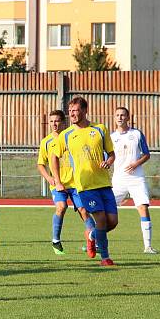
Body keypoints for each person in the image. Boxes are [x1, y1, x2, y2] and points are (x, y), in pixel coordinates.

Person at [50, 97, 118, 266]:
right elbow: (53, 157)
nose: (72, 114)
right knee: (101, 219)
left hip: (104, 183)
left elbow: (111, 154)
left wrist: (108, 162)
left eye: (75, 110)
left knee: (113, 222)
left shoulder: (100, 129)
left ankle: (91, 235)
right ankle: (105, 258)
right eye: (70, 111)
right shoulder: (66, 135)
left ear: (85, 110)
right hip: (85, 186)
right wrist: (57, 181)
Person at [37, 110, 96, 255]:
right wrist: (50, 179)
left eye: (57, 121)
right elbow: (40, 164)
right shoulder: (46, 142)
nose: (54, 124)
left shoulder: (72, 137)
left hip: (76, 183)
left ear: (63, 122)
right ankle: (56, 241)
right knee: (61, 207)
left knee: (84, 210)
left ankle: (94, 241)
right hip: (57, 184)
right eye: (51, 121)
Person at [110, 107, 157, 254]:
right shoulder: (111, 137)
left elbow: (146, 154)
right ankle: (96, 240)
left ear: (128, 117)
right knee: (106, 209)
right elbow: (108, 157)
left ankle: (148, 246)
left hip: (136, 178)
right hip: (118, 179)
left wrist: (136, 163)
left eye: (123, 115)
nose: (120, 117)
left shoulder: (136, 134)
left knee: (143, 207)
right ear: (114, 118)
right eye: (117, 115)